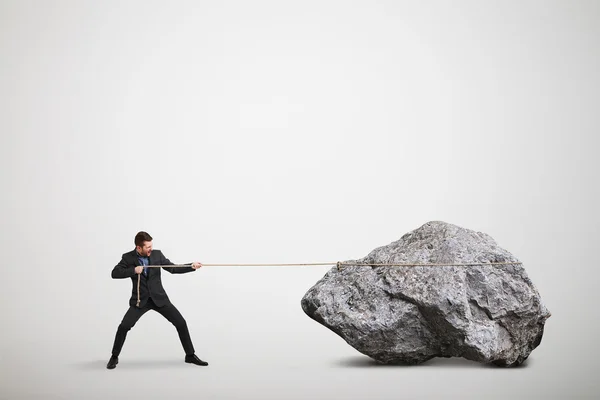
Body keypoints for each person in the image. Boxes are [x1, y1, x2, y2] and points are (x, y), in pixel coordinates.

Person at [107, 231, 208, 369]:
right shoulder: (128, 258)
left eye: (151, 246)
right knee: (124, 326)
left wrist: (191, 266)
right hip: (140, 301)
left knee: (181, 323)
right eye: (147, 247)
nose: (151, 249)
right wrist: (133, 270)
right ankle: (114, 357)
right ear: (138, 247)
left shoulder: (157, 254)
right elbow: (115, 273)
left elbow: (172, 268)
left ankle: (190, 355)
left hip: (159, 298)